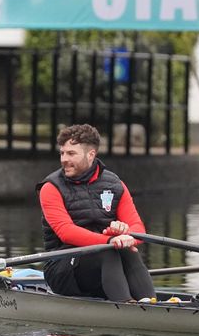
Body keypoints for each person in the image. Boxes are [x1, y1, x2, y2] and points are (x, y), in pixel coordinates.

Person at [37, 124, 156, 302]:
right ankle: (126, 306)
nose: (64, 159)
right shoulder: (50, 188)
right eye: (62, 153)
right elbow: (66, 232)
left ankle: (150, 303)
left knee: (128, 251)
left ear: (91, 154)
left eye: (71, 153)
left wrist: (126, 236)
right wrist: (109, 240)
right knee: (108, 251)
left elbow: (138, 228)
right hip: (63, 267)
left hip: (104, 267)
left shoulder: (115, 185)